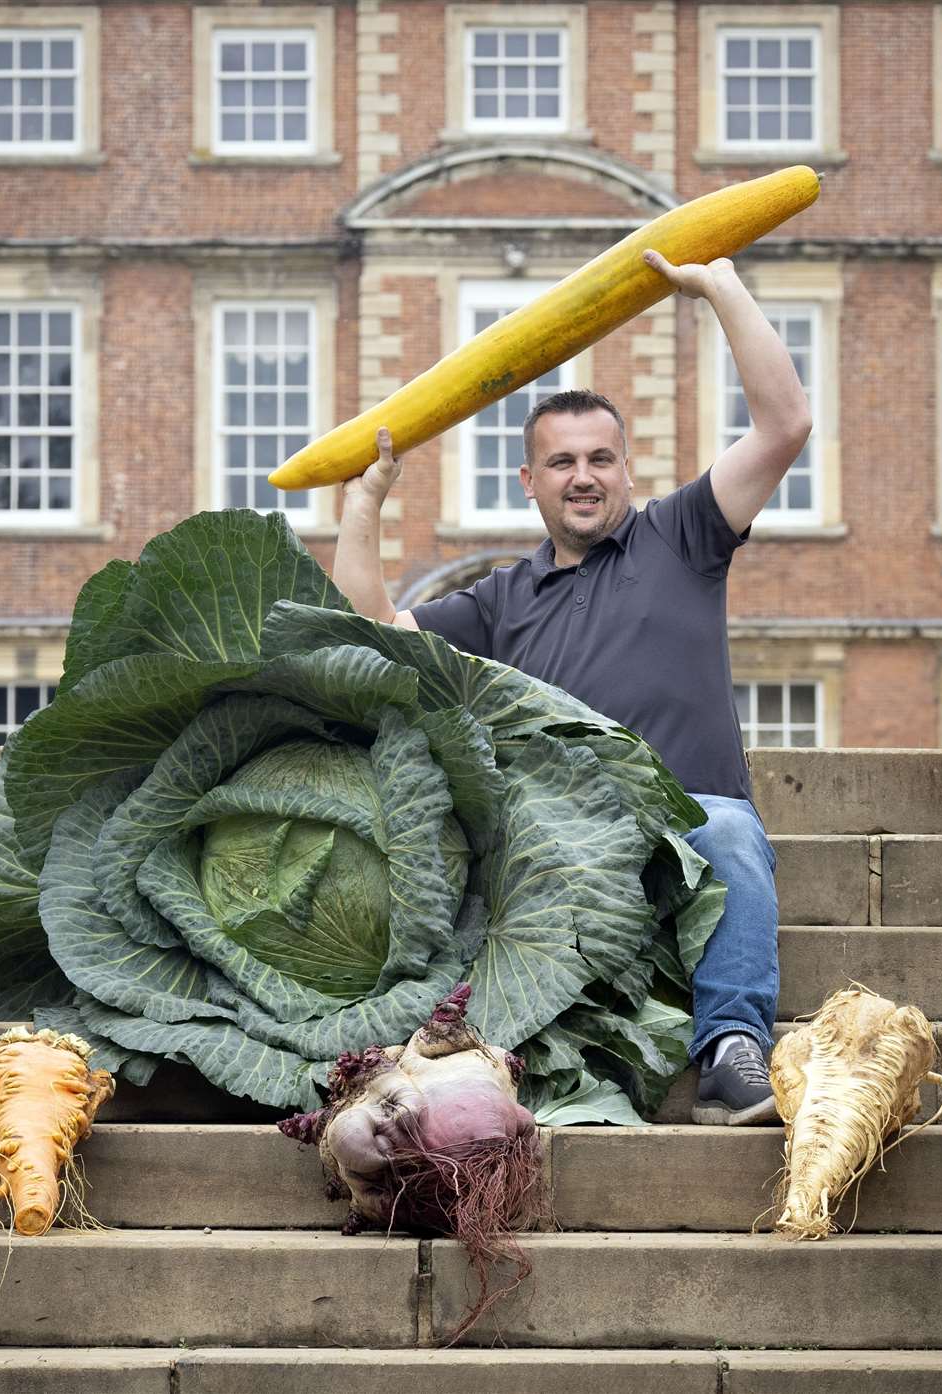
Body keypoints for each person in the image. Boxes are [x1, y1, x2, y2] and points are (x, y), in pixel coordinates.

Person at [333, 249, 812, 1125]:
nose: (583, 476)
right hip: (568, 842)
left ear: (627, 471)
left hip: (692, 817)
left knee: (737, 832)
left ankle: (733, 1051)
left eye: (600, 459)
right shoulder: (499, 602)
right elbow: (376, 623)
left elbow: (783, 423)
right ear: (529, 481)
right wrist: (365, 500)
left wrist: (718, 285)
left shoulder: (684, 536)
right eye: (561, 463)